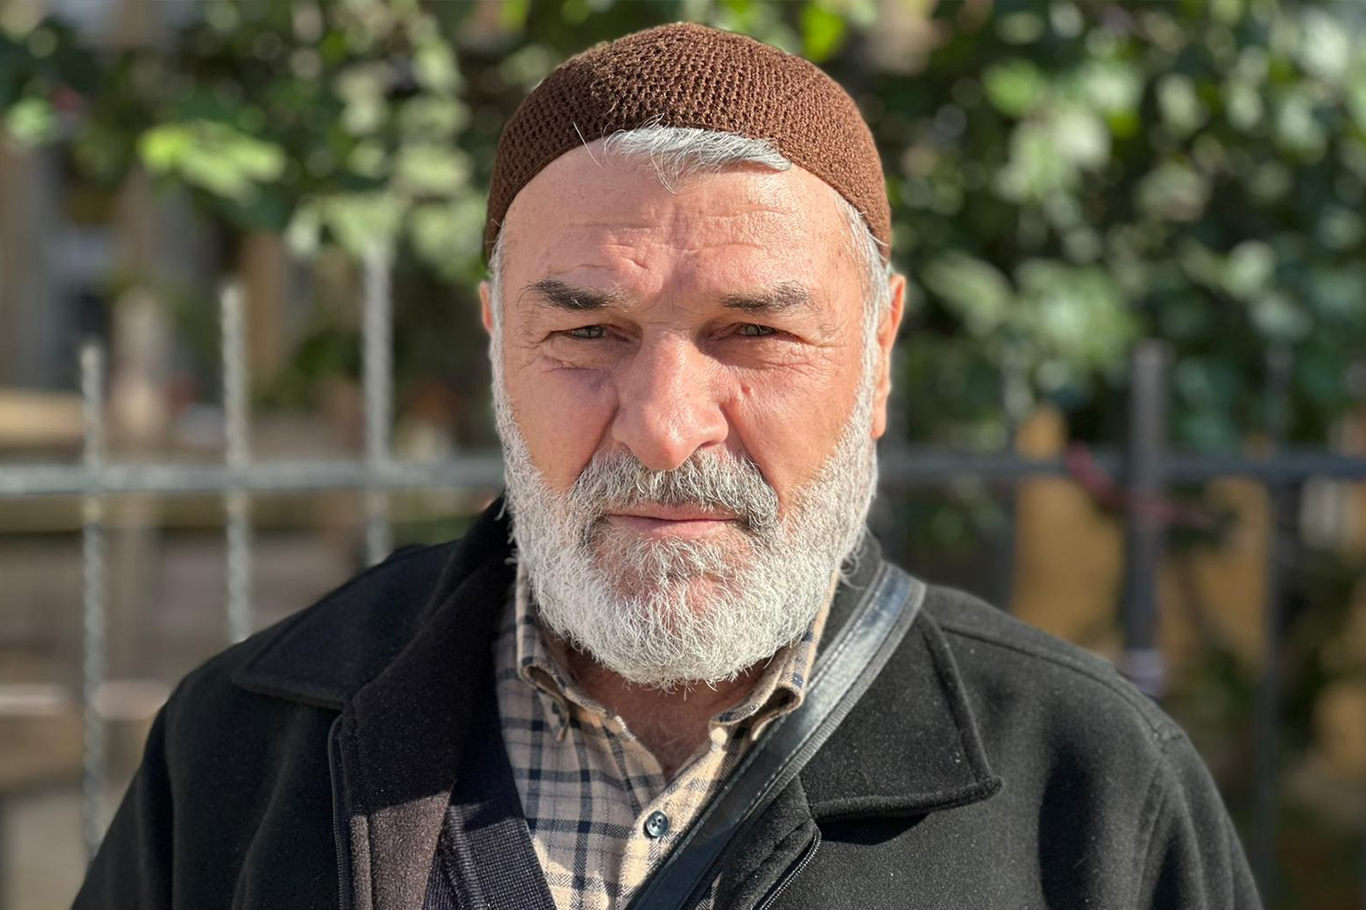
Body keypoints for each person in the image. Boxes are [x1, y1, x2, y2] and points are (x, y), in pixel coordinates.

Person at [75, 22, 1260, 910]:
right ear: (498, 347)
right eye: (588, 332)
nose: (662, 426)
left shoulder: (1087, 783)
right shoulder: (244, 748)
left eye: (754, 333)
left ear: (878, 353)